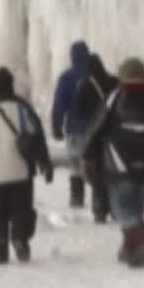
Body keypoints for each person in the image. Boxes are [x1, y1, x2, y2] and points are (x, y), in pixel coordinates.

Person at [81, 57, 144, 267]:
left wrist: (87, 156)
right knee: (136, 206)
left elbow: (95, 129)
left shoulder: (115, 97)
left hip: (119, 163)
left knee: (121, 209)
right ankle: (132, 250)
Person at [0, 66, 54, 264]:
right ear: (10, 83)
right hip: (20, 170)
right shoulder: (20, 106)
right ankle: (20, 238)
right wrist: (45, 162)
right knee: (22, 209)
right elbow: (36, 135)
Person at [71, 52, 119, 222]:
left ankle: (100, 209)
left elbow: (78, 111)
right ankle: (116, 208)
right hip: (114, 134)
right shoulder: (115, 82)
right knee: (114, 170)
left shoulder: (85, 85)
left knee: (97, 172)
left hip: (94, 134)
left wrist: (83, 129)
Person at [50, 40, 92, 209]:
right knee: (96, 162)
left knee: (75, 164)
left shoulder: (67, 77)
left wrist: (56, 125)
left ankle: (77, 196)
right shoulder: (96, 75)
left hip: (74, 128)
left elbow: (60, 104)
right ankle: (101, 200)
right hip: (96, 128)